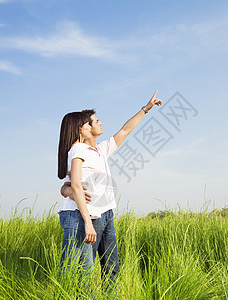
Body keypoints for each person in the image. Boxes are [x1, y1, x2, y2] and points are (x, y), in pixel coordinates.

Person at [59, 91, 162, 285]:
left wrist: (145, 109)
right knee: (85, 271)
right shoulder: (78, 149)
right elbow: (69, 185)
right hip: (91, 216)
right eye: (94, 121)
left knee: (111, 267)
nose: (100, 123)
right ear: (82, 128)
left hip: (107, 214)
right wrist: (71, 193)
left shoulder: (100, 150)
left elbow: (125, 131)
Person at [57, 111, 97, 276]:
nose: (90, 127)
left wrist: (68, 191)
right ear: (79, 129)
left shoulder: (74, 149)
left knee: (84, 272)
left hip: (76, 214)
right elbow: (74, 185)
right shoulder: (79, 148)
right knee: (69, 270)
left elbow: (67, 186)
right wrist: (88, 222)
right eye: (87, 124)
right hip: (76, 215)